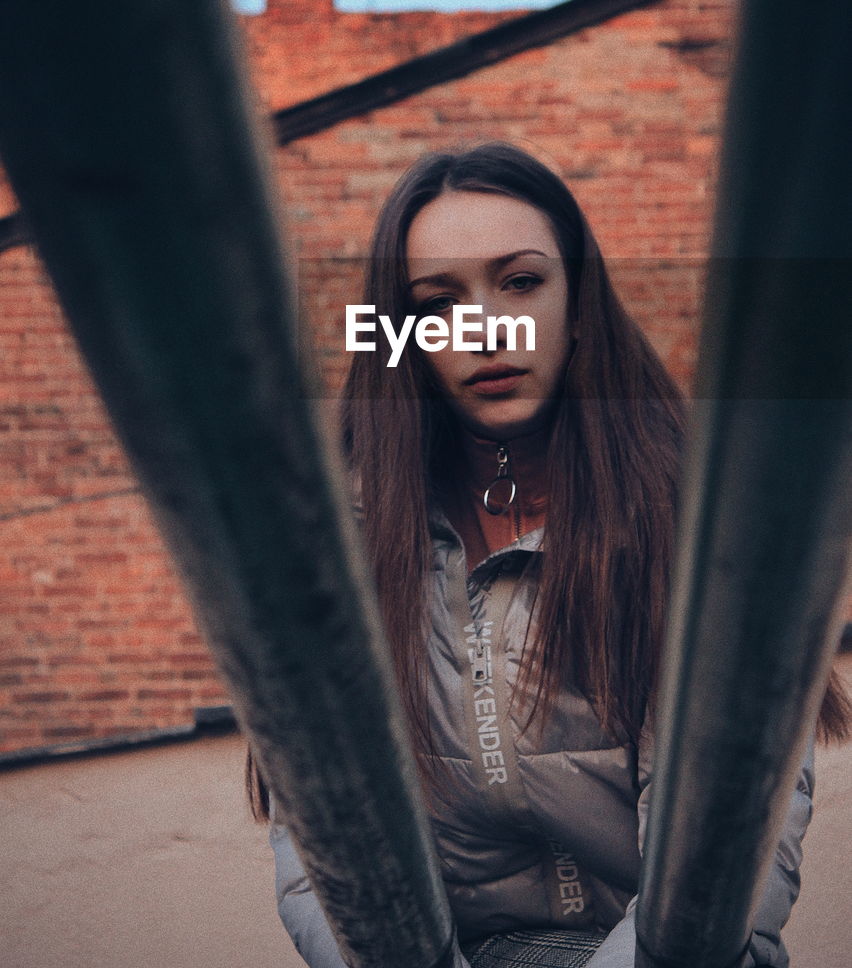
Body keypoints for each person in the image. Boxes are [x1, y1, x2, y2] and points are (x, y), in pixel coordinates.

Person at [248, 142, 849, 968]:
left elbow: (734, 844)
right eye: (439, 300)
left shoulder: (698, 524)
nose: (487, 326)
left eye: (522, 282)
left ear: (579, 304)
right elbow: (322, 853)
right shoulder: (335, 551)